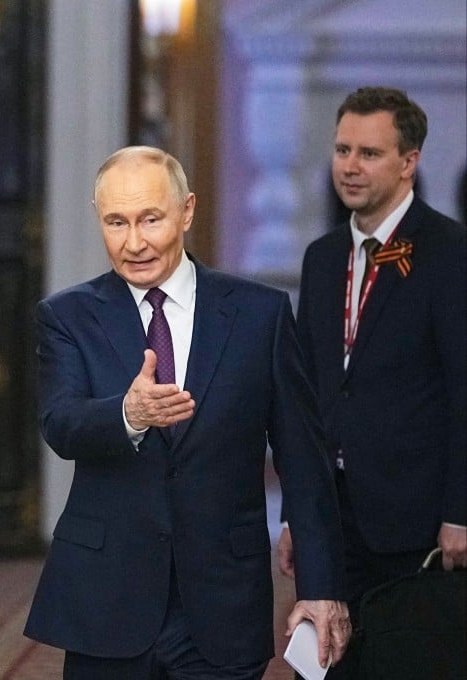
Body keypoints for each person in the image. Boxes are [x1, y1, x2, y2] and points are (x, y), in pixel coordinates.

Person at [24, 146, 351, 679]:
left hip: (224, 602)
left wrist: (320, 589)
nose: (134, 242)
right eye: (116, 222)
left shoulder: (259, 315)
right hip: (108, 600)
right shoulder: (67, 316)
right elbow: (60, 423)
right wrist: (127, 413)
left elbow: (304, 460)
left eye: (150, 219)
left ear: (187, 211)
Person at [278, 87, 466, 676]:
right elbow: (305, 400)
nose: (349, 166)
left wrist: (461, 511)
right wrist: (294, 516)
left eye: (369, 153)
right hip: (332, 522)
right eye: (341, 149)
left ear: (408, 162)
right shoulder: (321, 256)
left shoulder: (450, 252)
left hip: (416, 522)